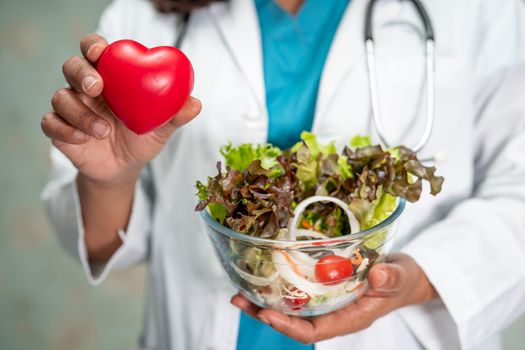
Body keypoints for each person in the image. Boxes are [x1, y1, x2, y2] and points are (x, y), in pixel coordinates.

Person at [41, 0, 525, 349]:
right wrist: (110, 178)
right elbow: (105, 244)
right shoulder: (142, 16)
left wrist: (411, 280)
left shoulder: (484, 10)